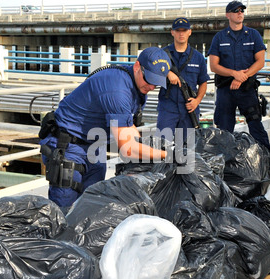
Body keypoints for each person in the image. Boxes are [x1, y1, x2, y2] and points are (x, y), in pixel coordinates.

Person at [39, 47, 171, 209]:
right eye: (149, 80)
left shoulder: (136, 85)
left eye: (156, 83)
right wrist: (168, 155)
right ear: (137, 67)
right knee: (64, 208)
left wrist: (150, 148)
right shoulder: (118, 90)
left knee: (93, 203)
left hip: (95, 145)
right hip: (69, 146)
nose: (151, 87)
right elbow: (128, 149)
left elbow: (130, 128)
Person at [208, 1, 270, 150]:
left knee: (256, 124)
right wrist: (234, 74)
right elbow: (213, 66)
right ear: (228, 15)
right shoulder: (219, 37)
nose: (240, 13)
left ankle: (265, 159)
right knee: (223, 129)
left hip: (247, 89)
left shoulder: (253, 35)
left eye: (242, 10)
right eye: (236, 11)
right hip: (226, 90)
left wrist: (243, 76)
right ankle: (223, 163)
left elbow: (260, 61)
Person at [156, 17, 210, 140]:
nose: (181, 34)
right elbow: (150, 71)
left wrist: (197, 101)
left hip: (189, 109)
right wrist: (168, 73)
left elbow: (203, 82)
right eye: (178, 30)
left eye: (184, 30)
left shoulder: (198, 57)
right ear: (172, 32)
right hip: (168, 107)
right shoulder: (162, 54)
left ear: (189, 32)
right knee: (162, 145)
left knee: (188, 149)